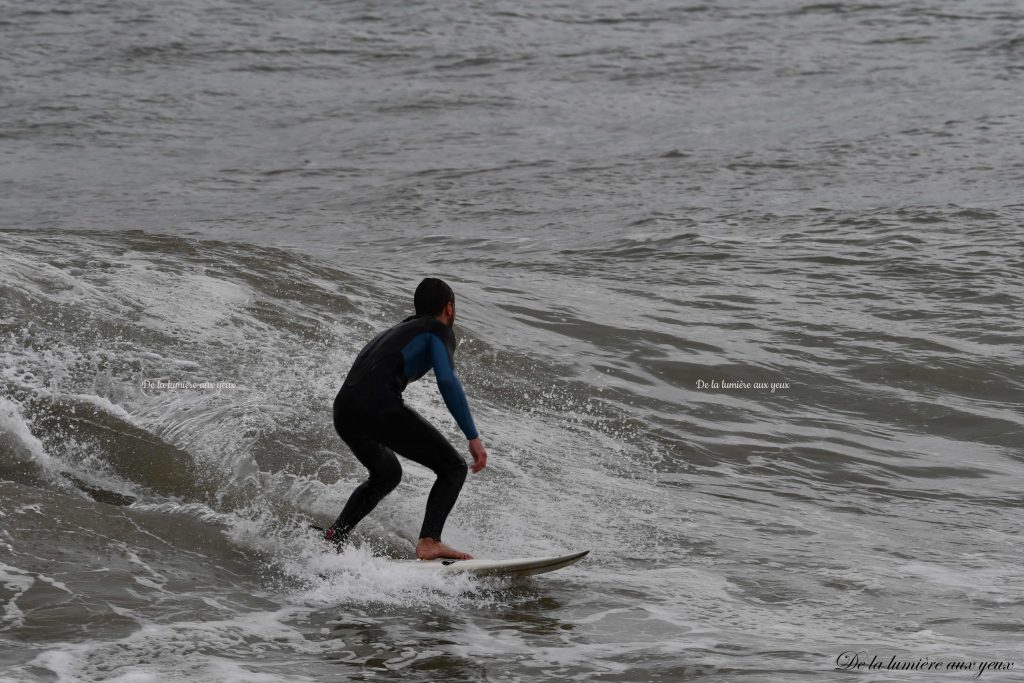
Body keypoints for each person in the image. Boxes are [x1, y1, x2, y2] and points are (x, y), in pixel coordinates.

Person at [325, 278, 488, 560]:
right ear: (449, 308)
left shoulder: (397, 329)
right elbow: (447, 380)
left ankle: (335, 535)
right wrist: (472, 436)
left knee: (387, 473)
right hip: (377, 405)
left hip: (344, 408)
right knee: (452, 468)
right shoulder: (438, 330)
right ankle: (430, 541)